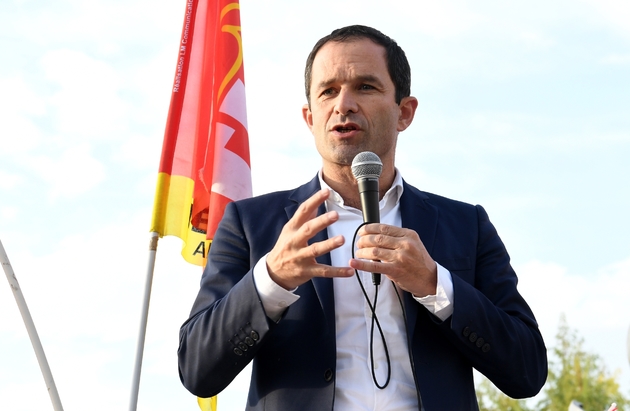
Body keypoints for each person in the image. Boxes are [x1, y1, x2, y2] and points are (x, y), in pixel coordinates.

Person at [178, 25, 547, 410]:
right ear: (310, 117)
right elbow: (197, 370)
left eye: (365, 87)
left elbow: (527, 371)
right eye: (328, 91)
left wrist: (435, 284)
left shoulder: (465, 225)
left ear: (404, 112)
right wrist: (271, 278)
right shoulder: (252, 224)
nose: (343, 104)